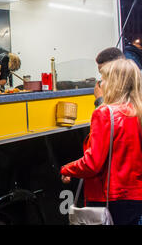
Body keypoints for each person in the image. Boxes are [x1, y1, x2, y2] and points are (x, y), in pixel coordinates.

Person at [60, 59, 142, 225]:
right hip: (136, 196)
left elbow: (92, 163)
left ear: (114, 83)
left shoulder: (104, 113)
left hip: (110, 197)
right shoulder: (138, 112)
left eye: (103, 79)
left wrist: (67, 169)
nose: (100, 84)